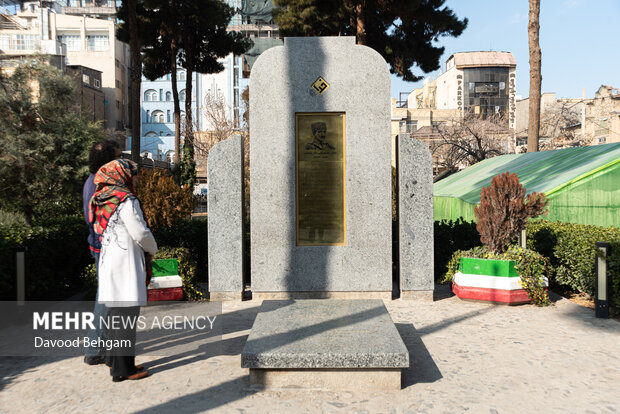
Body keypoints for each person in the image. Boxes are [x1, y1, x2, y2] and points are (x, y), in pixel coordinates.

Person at [89, 158, 157, 382]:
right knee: (126, 318)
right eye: (134, 174)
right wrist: (153, 248)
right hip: (125, 264)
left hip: (110, 261)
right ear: (122, 175)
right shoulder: (126, 200)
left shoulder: (100, 198)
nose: (136, 178)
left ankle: (116, 363)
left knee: (117, 318)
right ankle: (123, 370)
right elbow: (139, 232)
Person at [83, 139, 121, 365]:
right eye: (117, 157)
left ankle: (103, 345)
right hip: (104, 248)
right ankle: (95, 348)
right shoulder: (97, 186)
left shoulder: (94, 182)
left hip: (101, 246)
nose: (120, 161)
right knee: (105, 298)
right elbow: (97, 221)